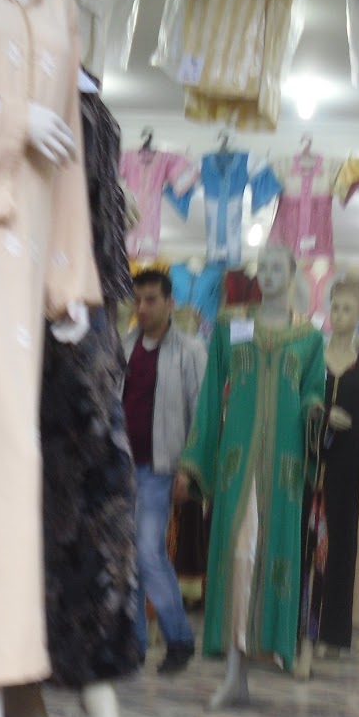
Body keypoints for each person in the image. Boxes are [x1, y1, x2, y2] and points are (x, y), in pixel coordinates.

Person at [124, 268, 207, 673]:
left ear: (170, 303)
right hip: (123, 468)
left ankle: (179, 638)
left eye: (151, 300)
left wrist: (188, 468)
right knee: (129, 556)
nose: (143, 308)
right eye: (138, 300)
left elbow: (201, 413)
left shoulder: (190, 351)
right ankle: (135, 644)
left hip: (161, 468)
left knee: (147, 551)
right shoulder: (124, 346)